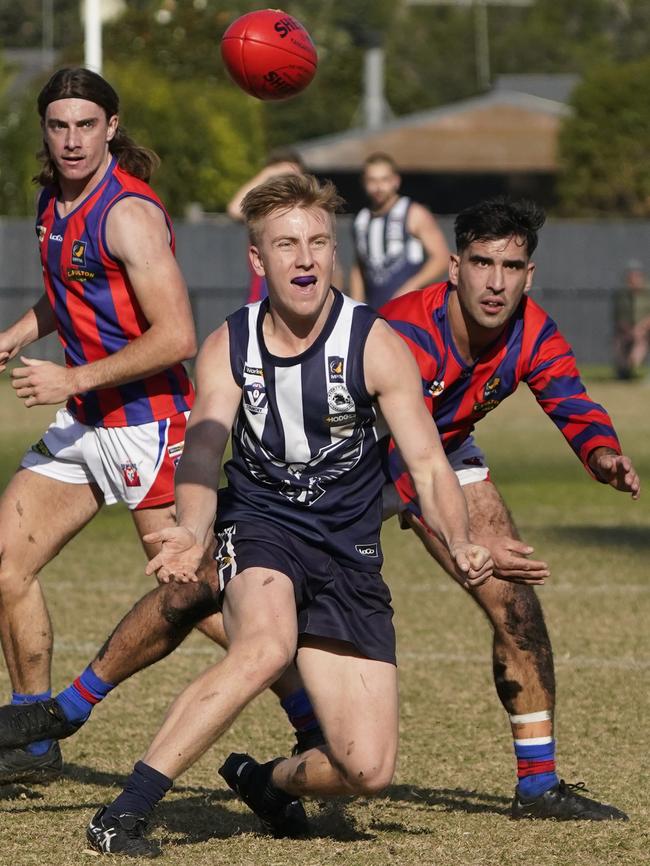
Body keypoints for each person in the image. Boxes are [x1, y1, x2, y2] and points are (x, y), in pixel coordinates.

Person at [7, 172, 489, 856]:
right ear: (258, 261)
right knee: (265, 647)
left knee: (367, 770)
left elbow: (430, 464)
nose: (306, 258)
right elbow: (202, 455)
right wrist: (193, 531)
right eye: (287, 244)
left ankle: (267, 781)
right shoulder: (229, 347)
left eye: (319, 242)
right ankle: (125, 812)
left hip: (348, 554)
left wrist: (462, 538)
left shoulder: (374, 344)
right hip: (262, 527)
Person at [380, 196, 639, 821]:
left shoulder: (533, 330)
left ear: (530, 274)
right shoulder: (405, 332)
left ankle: (538, 784)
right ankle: (92, 698)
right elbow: (395, 449)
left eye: (512, 266)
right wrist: (459, 533)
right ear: (454, 267)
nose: (496, 282)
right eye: (482, 262)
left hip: (447, 451)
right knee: (228, 598)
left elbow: (571, 398)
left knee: (515, 604)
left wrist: (602, 453)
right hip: (356, 459)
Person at [0, 67, 199, 785]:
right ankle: (30, 736)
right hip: (87, 419)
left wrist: (72, 376)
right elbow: (72, 289)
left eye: (87, 125)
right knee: (6, 564)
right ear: (45, 133)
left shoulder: (129, 214)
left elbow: (177, 335)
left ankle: (306, 703)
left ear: (112, 127)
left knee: (189, 594)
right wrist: (22, 331)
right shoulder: (53, 201)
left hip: (147, 422)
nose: (72, 139)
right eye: (59, 126)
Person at [349, 152, 450, 309]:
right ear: (363, 182)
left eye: (384, 179)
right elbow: (360, 267)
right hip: (376, 313)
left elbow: (442, 259)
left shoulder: (413, 213)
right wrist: (356, 307)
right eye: (372, 180)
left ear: (396, 181)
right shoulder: (360, 221)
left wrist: (410, 289)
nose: (378, 187)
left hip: (412, 309)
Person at [227, 148, 305, 303]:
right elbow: (235, 208)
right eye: (281, 176)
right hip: (263, 299)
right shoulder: (264, 212)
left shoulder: (311, 215)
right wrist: (268, 173)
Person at [612, 259, 650, 379]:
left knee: (640, 344)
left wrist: (641, 329)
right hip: (628, 331)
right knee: (618, 343)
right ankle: (624, 372)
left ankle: (633, 366)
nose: (633, 279)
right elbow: (618, 317)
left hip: (645, 331)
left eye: (636, 276)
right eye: (630, 277)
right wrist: (629, 331)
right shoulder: (622, 295)